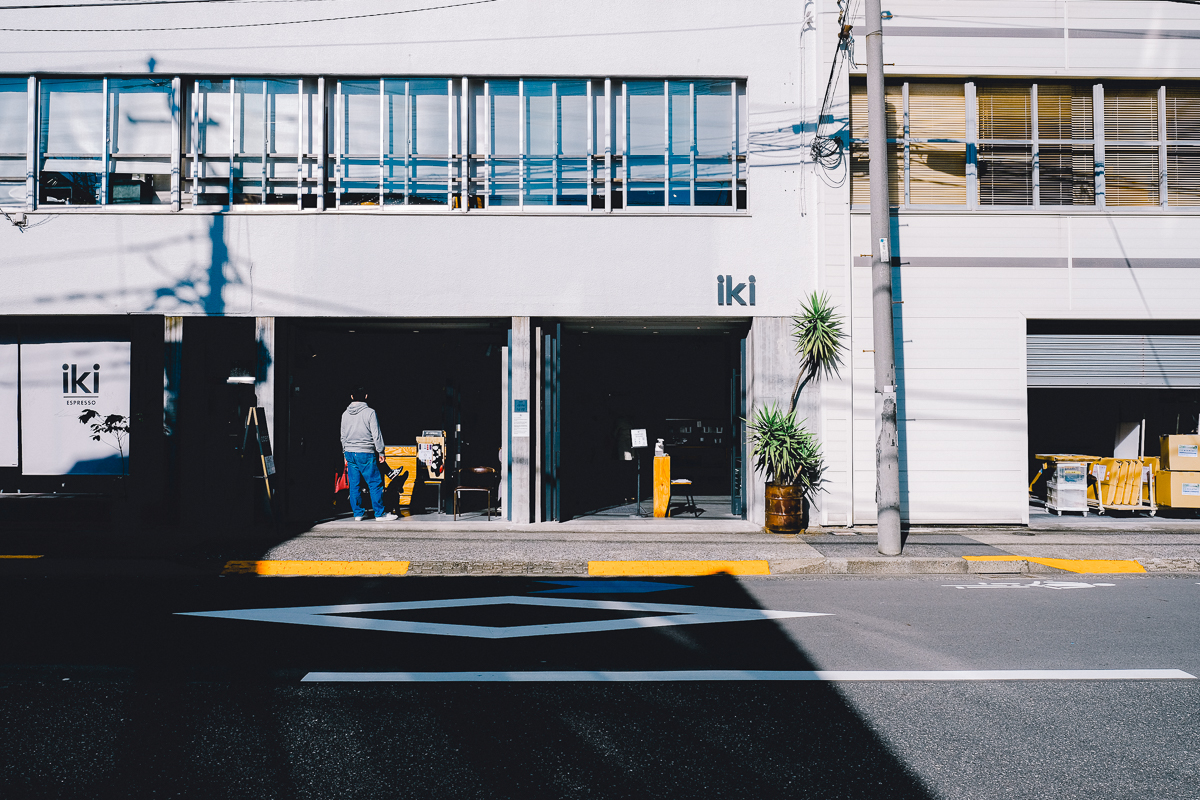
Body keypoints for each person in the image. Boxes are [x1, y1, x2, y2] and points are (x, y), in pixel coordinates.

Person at [340, 387, 398, 522]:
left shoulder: (345, 414)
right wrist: (381, 451)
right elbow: (376, 434)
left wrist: (344, 453)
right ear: (366, 396)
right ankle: (380, 513)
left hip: (349, 452)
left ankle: (358, 514)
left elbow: (342, 436)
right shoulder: (370, 413)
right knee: (375, 483)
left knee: (354, 484)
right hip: (365, 451)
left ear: (351, 396)